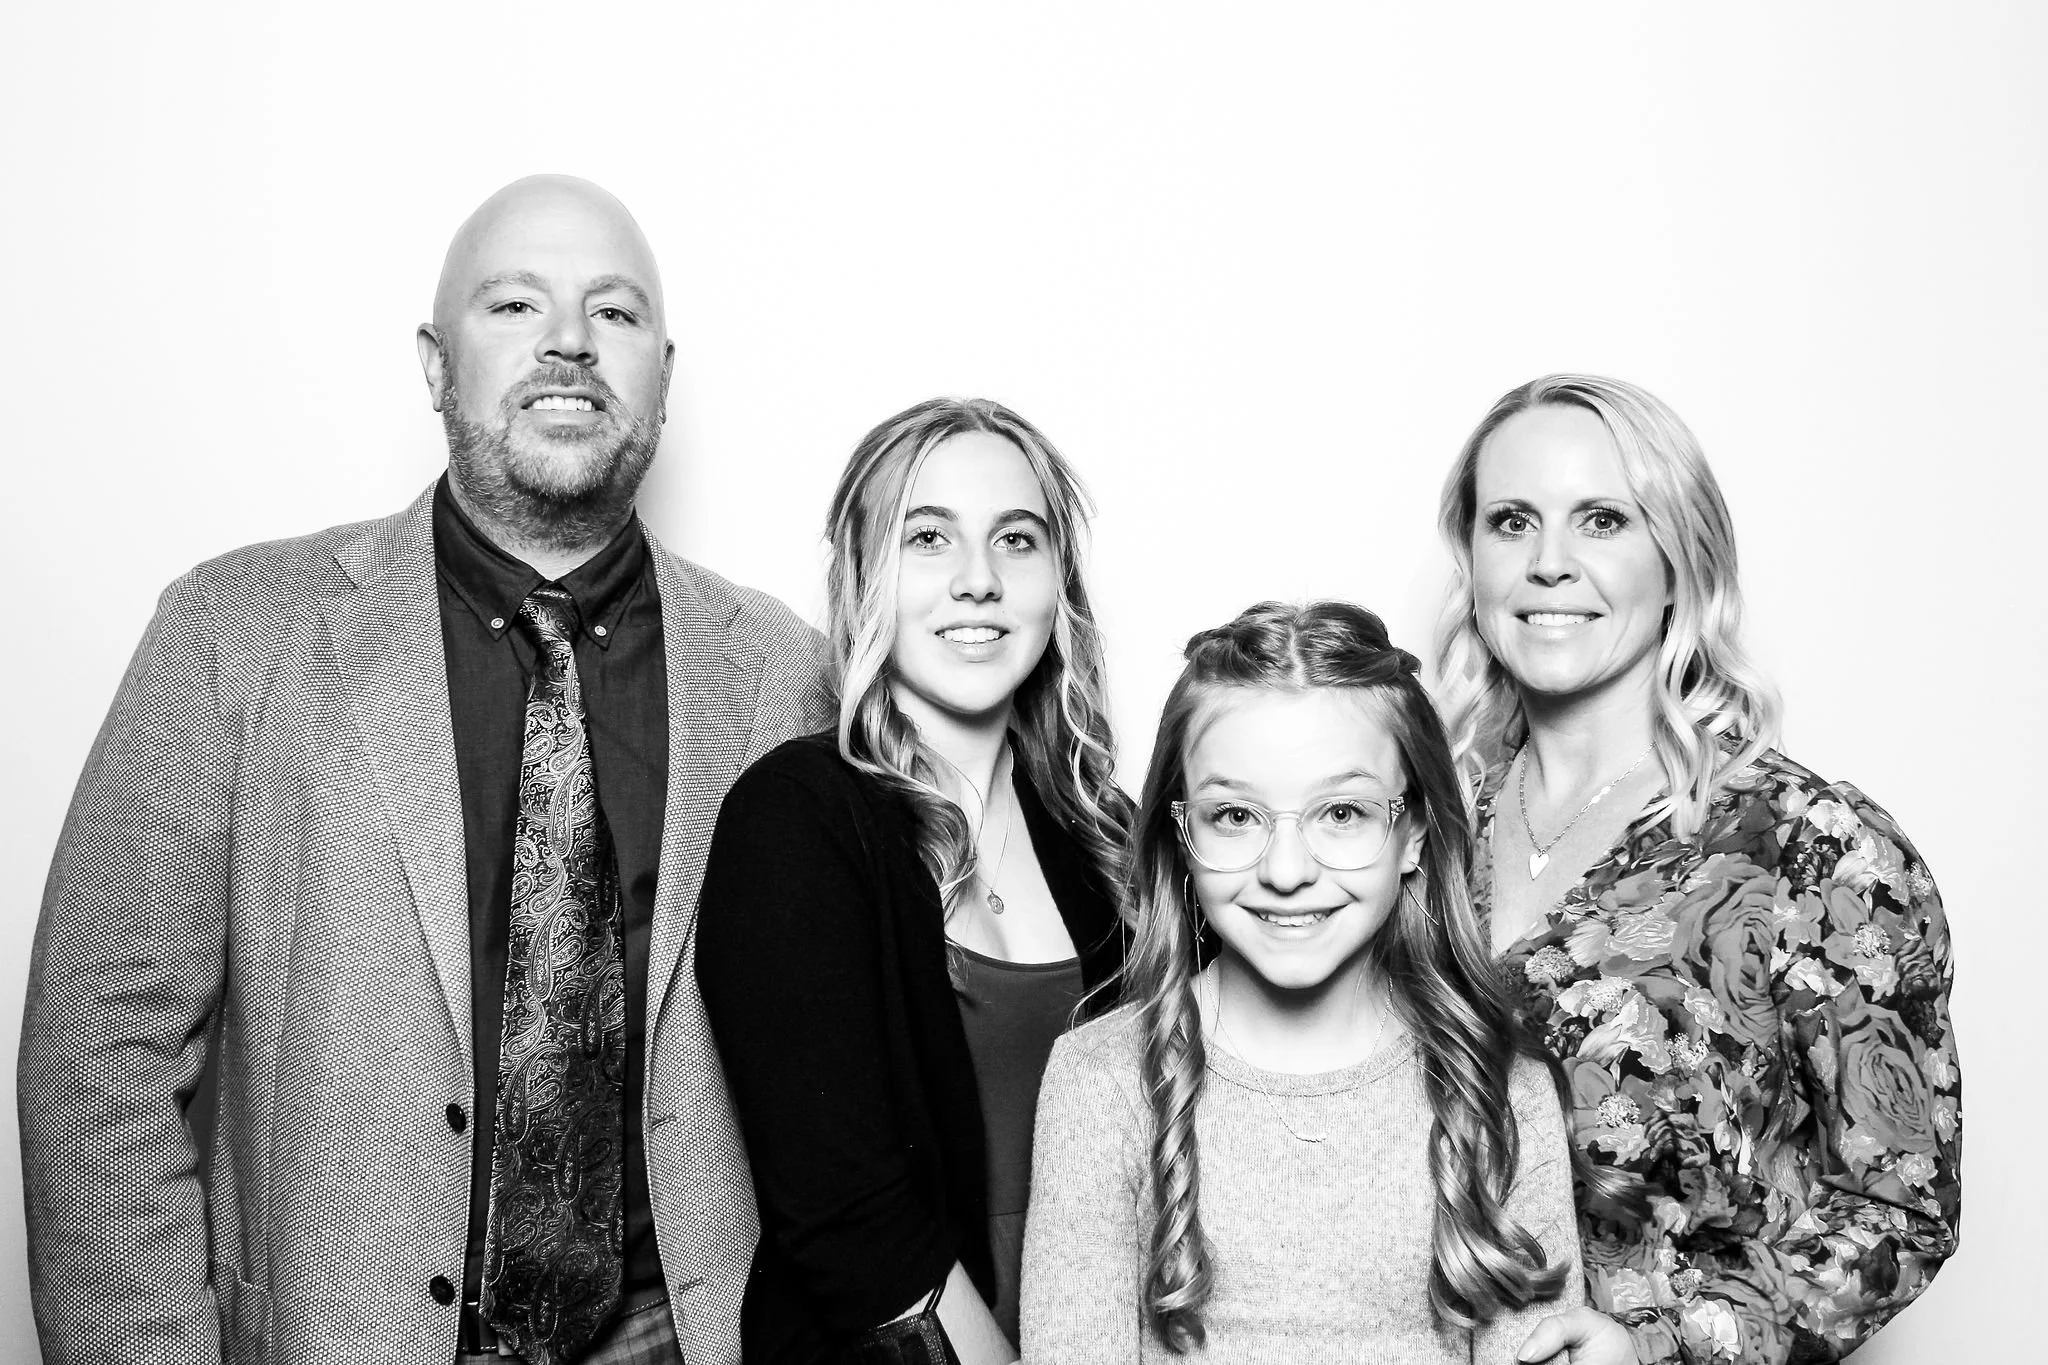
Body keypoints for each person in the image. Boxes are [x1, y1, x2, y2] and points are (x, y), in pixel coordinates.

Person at [18, 175, 831, 1365]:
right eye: (514, 305)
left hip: (684, 1338)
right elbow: (101, 1044)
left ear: (663, 366)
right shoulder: (233, 634)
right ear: (434, 363)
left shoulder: (786, 674)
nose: (567, 341)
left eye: (612, 314)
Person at [1434, 374, 1961, 1365]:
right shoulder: (1409, 827)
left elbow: (1895, 1211)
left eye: (1600, 519)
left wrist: (1663, 1347)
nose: (1549, 564)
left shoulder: (1814, 850)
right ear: (1469, 560)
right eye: (1510, 521)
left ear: (1679, 559)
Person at [1022, 600, 1585, 1363]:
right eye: (1234, 816)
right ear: (1181, 835)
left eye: (1343, 811)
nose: (1287, 870)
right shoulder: (1101, 1083)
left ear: (1413, 829)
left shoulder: (1499, 1089)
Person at [695, 398, 1131, 1364]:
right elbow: (852, 1224)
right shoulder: (795, 819)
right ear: (862, 574)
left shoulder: (1109, 835)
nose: (979, 581)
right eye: (927, 538)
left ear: (1058, 582)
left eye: (1017, 540)